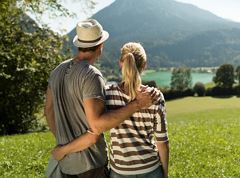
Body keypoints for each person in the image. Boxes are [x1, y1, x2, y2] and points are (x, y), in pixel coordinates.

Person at [45, 19, 158, 178]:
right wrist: (137, 104)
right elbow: (96, 127)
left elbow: (48, 110)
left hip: (66, 164)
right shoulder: (91, 74)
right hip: (91, 165)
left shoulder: (57, 71)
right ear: (100, 46)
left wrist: (63, 142)